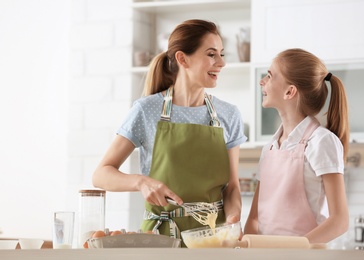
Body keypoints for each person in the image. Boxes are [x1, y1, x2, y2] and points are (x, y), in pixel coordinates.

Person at [92, 19, 247, 242]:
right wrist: (141, 182)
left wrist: (233, 219)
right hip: (159, 239)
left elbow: (232, 188)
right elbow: (100, 175)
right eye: (212, 54)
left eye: (222, 54)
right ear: (183, 58)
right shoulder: (147, 110)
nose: (221, 63)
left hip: (212, 240)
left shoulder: (229, 114)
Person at [244, 48, 349, 243]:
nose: (262, 82)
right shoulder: (270, 149)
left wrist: (296, 249)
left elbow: (340, 220)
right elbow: (254, 218)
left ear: (289, 91)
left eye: (269, 76)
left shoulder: (321, 142)